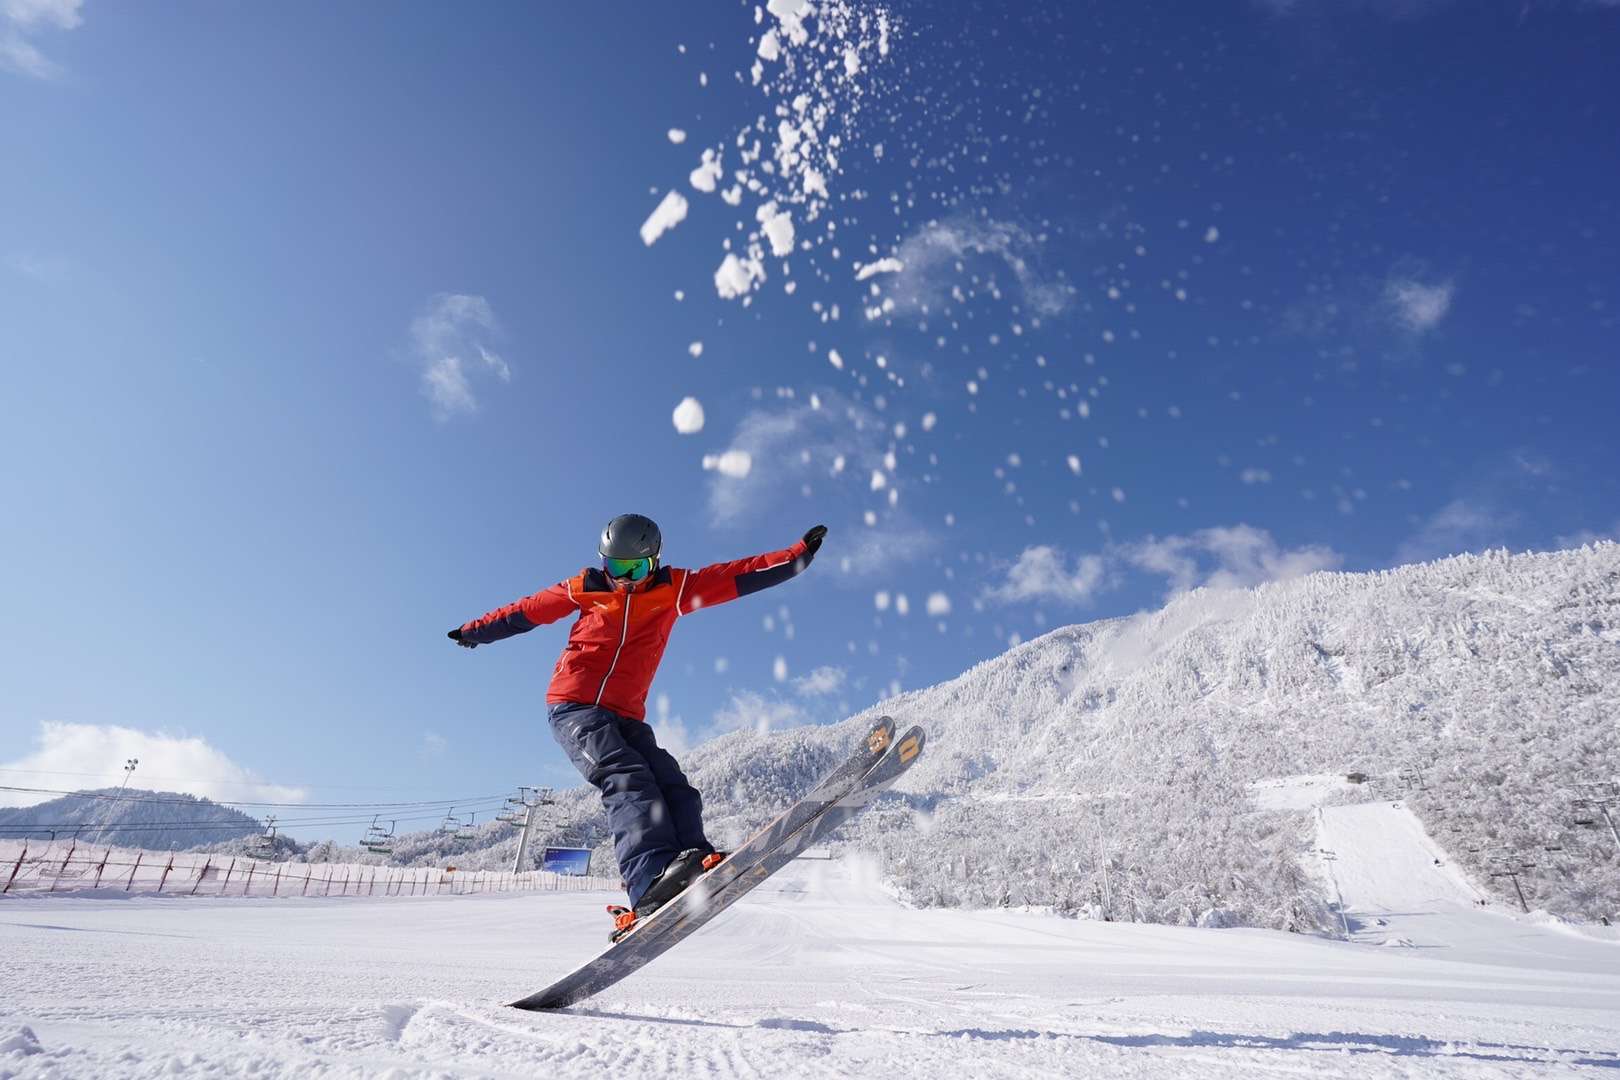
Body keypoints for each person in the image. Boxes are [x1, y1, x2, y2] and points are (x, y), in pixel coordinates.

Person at [449, 513, 827, 938]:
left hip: (627, 713)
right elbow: (525, 612)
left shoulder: (675, 589)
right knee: (625, 777)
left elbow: (737, 576)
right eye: (616, 568)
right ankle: (648, 882)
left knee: (671, 782)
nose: (625, 580)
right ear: (603, 562)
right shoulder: (584, 589)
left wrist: (796, 557)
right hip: (574, 707)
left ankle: (692, 860)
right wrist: (473, 632)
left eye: (637, 569)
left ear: (655, 562)